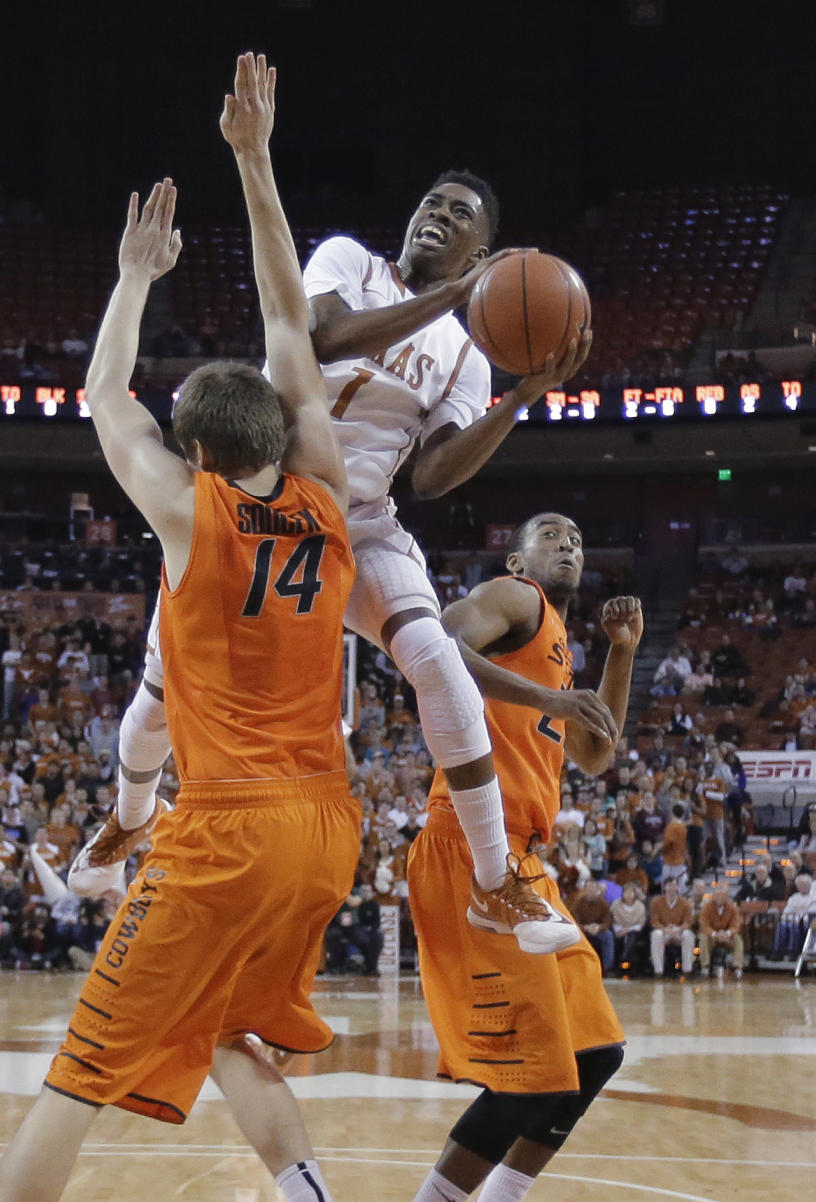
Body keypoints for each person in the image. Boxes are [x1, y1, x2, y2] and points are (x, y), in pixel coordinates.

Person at [0, 54, 385, 1202]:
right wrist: (258, 164)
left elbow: (105, 400)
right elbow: (288, 311)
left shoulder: (190, 516)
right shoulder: (326, 493)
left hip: (225, 835)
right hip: (328, 827)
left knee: (76, 1078)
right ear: (283, 431)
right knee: (227, 1038)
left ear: (198, 457)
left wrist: (135, 281)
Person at [69, 147, 590, 960]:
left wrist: (519, 400)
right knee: (161, 689)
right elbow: (317, 334)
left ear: (483, 253)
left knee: (436, 656)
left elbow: (436, 474)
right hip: (265, 499)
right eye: (432, 201)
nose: (437, 215)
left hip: (362, 523)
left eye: (460, 215)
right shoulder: (350, 258)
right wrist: (456, 296)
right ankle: (129, 818)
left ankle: (496, 881)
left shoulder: (467, 355)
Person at [352, 513, 641, 1202]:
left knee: (594, 1057)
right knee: (529, 1077)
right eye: (553, 535)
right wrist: (550, 697)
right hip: (471, 851)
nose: (571, 545)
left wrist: (620, 652)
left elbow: (595, 753)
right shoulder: (513, 599)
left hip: (526, 862)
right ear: (519, 558)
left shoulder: (557, 643)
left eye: (581, 540)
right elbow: (434, 647)